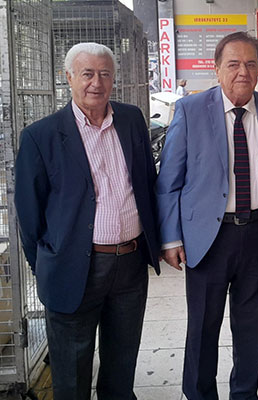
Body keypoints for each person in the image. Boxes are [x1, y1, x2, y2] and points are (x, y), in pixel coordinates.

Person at [14, 42, 160, 400]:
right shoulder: (41, 136)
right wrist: (49, 264)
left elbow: (147, 182)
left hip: (130, 265)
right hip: (73, 268)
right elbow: (29, 216)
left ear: (114, 79)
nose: (97, 82)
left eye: (105, 74)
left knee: (122, 363)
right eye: (87, 74)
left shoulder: (131, 120)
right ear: (68, 77)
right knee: (71, 373)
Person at [155, 32, 258, 400]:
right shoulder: (190, 110)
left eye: (250, 64)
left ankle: (244, 394)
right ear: (216, 70)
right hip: (208, 238)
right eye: (233, 64)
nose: (242, 72)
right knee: (203, 327)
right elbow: (169, 180)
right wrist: (171, 237)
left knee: (253, 326)